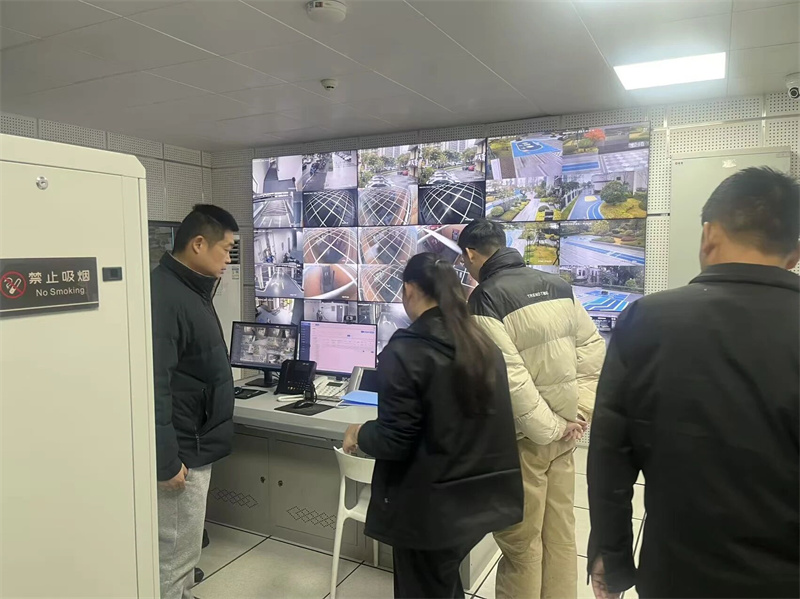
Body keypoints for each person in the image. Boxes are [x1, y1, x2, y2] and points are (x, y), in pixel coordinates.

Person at [587, 167, 800, 599]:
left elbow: (611, 454)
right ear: (794, 253)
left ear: (709, 235)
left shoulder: (648, 319)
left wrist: (611, 553)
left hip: (677, 573)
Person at [343, 252, 524, 599]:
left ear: (409, 290)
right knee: (440, 582)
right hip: (478, 498)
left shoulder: (407, 350)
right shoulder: (482, 343)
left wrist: (359, 432)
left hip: (430, 509)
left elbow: (395, 439)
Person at [458, 219, 606, 599]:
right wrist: (578, 416)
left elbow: (511, 379)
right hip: (566, 437)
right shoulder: (559, 286)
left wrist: (552, 427)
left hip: (523, 443)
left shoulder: (485, 298)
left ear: (471, 254)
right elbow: (593, 353)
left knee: (521, 545)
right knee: (560, 536)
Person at [151, 204, 239, 599]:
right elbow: (155, 383)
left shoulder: (190, 289)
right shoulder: (166, 295)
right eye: (226, 249)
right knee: (172, 556)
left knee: (184, 552)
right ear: (198, 244)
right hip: (183, 452)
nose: (228, 260)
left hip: (194, 443)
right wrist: (166, 459)